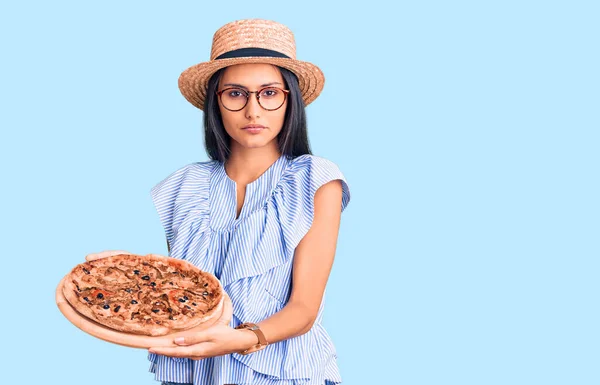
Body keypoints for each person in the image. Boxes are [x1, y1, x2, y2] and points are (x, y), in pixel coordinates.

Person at [86, 18, 351, 385]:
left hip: (284, 372)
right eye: (236, 93)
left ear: (291, 100)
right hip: (195, 371)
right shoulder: (185, 185)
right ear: (216, 102)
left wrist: (243, 338)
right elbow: (180, 292)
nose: (253, 110)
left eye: (270, 93)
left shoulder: (315, 179)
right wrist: (122, 273)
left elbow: (304, 308)